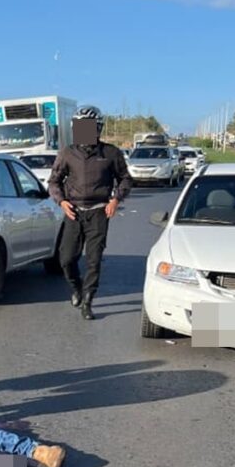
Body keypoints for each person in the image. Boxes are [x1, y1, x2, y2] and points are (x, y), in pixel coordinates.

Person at [47, 105, 132, 320]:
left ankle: (88, 300)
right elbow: (54, 181)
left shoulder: (111, 153)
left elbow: (125, 179)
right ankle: (76, 288)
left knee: (94, 260)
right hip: (73, 212)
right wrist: (62, 202)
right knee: (67, 259)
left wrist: (115, 199)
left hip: (98, 212)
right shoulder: (67, 153)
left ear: (98, 128)